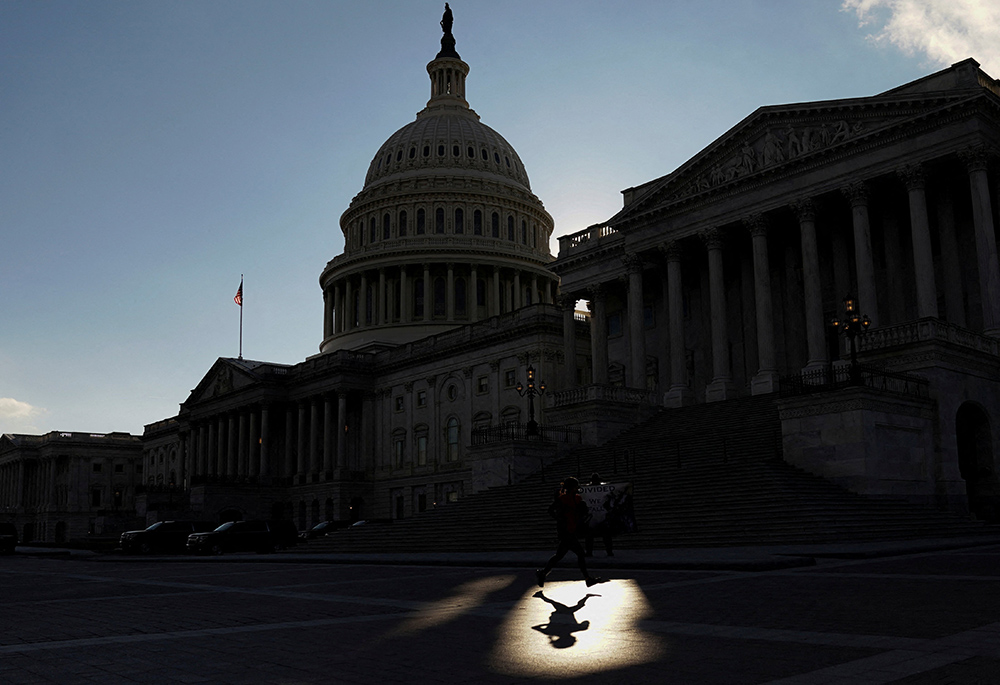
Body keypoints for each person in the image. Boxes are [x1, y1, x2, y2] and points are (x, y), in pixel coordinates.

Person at [536, 477, 605, 587]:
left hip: (570, 530)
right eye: (576, 486)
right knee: (580, 554)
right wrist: (561, 519)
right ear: (572, 488)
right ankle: (587, 579)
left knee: (559, 556)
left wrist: (582, 511)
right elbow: (551, 510)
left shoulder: (577, 499)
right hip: (566, 531)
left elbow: (580, 513)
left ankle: (543, 573)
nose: (578, 488)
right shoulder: (563, 499)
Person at [584, 472, 614, 558]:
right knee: (603, 536)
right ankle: (608, 551)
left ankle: (607, 551)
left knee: (603, 536)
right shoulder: (601, 489)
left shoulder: (602, 489)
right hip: (595, 515)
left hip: (598, 515)